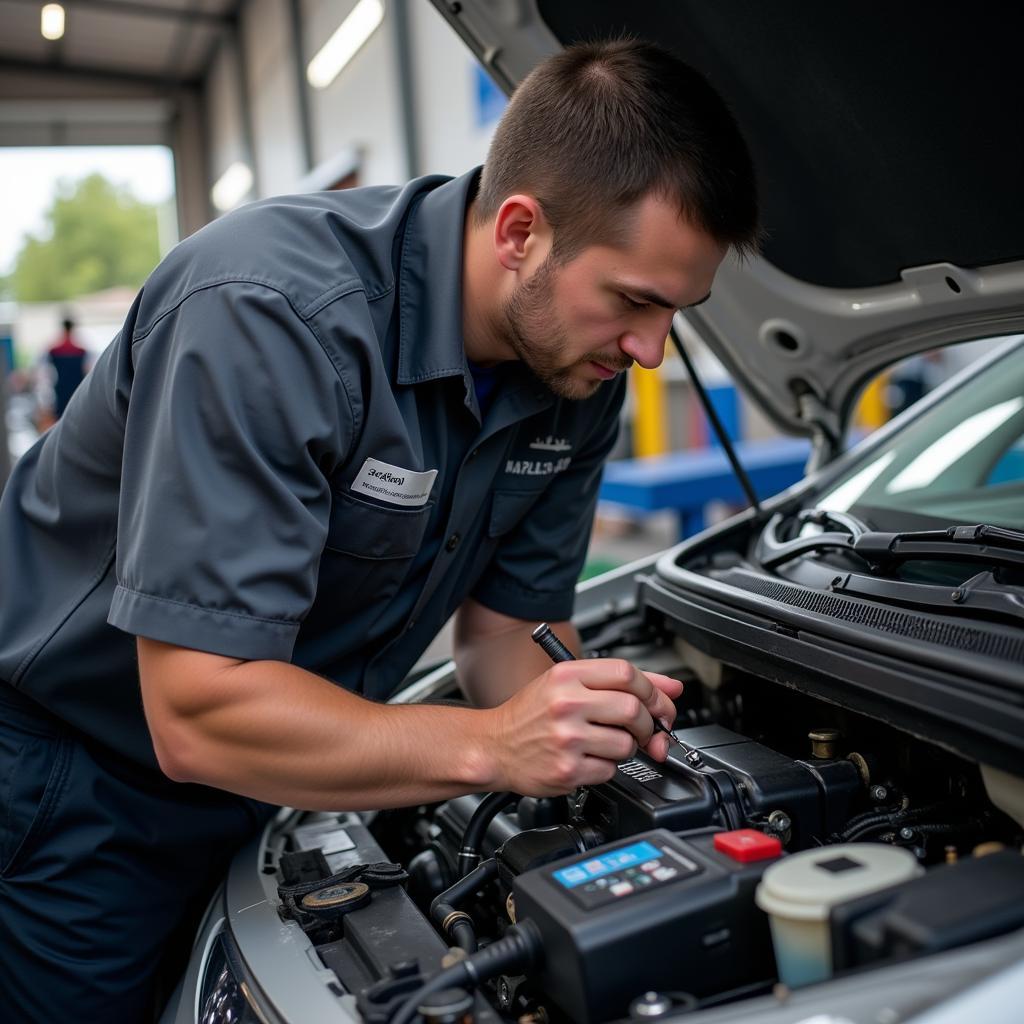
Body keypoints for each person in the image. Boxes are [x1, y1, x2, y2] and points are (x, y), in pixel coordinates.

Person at [0, 40, 760, 1022]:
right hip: (83, 790)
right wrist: (491, 745)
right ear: (520, 231)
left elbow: (502, 640)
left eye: (678, 315)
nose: (651, 351)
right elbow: (195, 712)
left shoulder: (577, 377)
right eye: (634, 301)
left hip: (280, 778)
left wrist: (591, 726)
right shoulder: (268, 317)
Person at [44, 314, 89, 420]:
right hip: (76, 388)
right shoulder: (81, 351)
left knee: (61, 419)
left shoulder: (54, 351)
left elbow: (48, 373)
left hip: (61, 388)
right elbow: (86, 371)